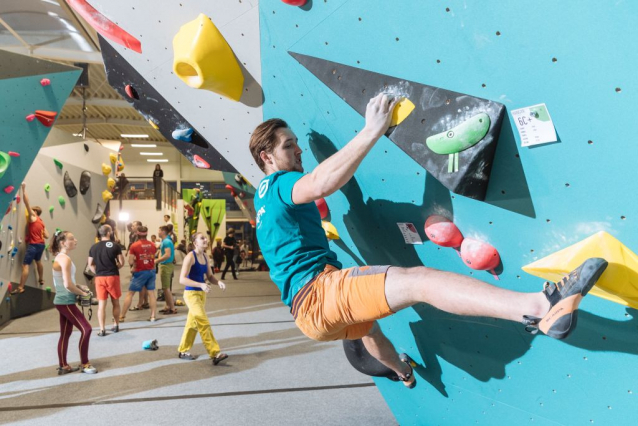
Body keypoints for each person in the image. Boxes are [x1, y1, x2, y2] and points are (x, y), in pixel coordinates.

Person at [249, 93, 608, 388]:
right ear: (267, 157)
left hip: (307, 316)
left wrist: (401, 371)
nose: (298, 152)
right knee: (417, 281)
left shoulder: (262, 200)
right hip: (319, 293)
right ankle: (543, 307)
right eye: (289, 146)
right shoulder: (276, 184)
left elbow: (329, 186)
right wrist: (373, 129)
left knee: (369, 329)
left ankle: (402, 373)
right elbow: (322, 183)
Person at [50, 230, 97, 375]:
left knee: (65, 334)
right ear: (63, 243)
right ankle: (85, 363)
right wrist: (83, 293)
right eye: (72, 238)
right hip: (65, 302)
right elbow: (67, 285)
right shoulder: (64, 259)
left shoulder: (62, 257)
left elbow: (69, 283)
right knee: (86, 329)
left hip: (63, 300)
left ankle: (63, 366)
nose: (75, 240)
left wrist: (80, 287)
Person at [177, 232, 228, 365]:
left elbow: (210, 276)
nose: (205, 239)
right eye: (202, 238)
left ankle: (183, 350)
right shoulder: (190, 257)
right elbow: (182, 279)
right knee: (203, 322)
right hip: (191, 294)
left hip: (201, 294)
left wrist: (218, 282)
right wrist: (200, 284)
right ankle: (215, 353)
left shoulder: (205, 256)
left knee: (192, 324)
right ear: (195, 243)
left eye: (205, 237)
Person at [88, 224, 125, 336]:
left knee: (101, 305)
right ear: (109, 233)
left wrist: (98, 272)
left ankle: (102, 329)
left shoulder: (93, 247)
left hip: (99, 278)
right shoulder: (115, 245)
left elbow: (90, 265)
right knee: (116, 302)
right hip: (112, 277)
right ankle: (116, 325)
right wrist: (115, 267)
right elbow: (122, 262)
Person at [12, 183, 48, 294]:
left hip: (33, 245)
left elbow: (26, 202)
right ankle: (41, 279)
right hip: (41, 245)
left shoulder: (33, 217)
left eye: (32, 210)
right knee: (38, 261)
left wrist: (23, 189)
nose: (29, 212)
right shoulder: (42, 222)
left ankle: (21, 287)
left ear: (35, 212)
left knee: (25, 265)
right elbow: (47, 235)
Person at [120, 226, 158, 322]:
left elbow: (131, 261)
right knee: (151, 293)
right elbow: (153, 256)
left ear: (137, 233)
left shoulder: (134, 246)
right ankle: (153, 316)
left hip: (140, 272)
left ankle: (121, 316)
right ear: (147, 233)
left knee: (130, 293)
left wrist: (135, 262)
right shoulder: (152, 245)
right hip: (151, 271)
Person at [157, 225, 177, 315]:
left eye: (159, 230)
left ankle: (172, 308)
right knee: (166, 288)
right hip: (167, 265)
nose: (158, 232)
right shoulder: (167, 240)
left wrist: (155, 261)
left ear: (163, 232)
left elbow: (167, 255)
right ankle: (168, 306)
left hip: (166, 265)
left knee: (166, 288)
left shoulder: (166, 242)